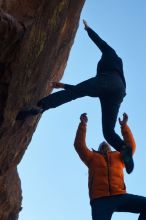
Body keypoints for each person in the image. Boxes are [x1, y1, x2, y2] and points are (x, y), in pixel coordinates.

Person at [16, 20, 133, 173]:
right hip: (116, 93)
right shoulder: (112, 69)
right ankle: (124, 149)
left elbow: (101, 43)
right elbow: (82, 89)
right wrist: (63, 85)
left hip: (109, 81)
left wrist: (88, 30)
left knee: (75, 94)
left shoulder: (112, 55)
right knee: (108, 131)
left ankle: (40, 106)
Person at [74, 112, 146, 220]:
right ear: (99, 149)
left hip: (119, 195)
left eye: (106, 144)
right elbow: (79, 146)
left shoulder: (118, 156)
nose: (104, 144)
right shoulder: (92, 157)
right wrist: (83, 125)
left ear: (110, 148)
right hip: (100, 200)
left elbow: (130, 148)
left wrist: (124, 126)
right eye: (102, 145)